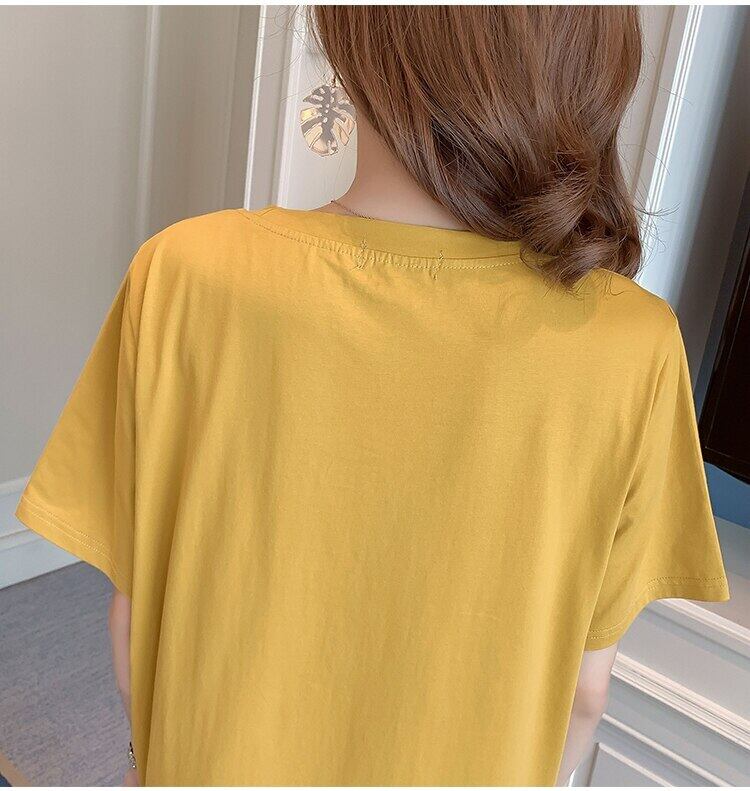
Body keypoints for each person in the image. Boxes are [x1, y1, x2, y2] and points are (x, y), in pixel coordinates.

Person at [15, 6, 730, 786]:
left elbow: (132, 627)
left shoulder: (187, 273)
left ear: (354, 40)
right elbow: (585, 693)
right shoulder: (633, 345)